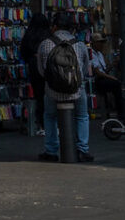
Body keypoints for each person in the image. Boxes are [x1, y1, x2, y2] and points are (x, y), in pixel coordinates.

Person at [34, 19, 93, 162]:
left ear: (54, 27)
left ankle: (51, 151)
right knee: (82, 116)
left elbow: (41, 71)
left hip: (52, 91)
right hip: (76, 90)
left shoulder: (45, 44)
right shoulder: (80, 45)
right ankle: (82, 149)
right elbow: (85, 70)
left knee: (50, 116)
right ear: (72, 29)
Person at [19, 12, 53, 136]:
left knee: (39, 95)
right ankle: (51, 123)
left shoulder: (29, 35)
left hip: (34, 66)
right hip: (48, 65)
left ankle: (41, 124)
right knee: (50, 94)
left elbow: (23, 52)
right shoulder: (49, 35)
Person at [88, 44, 125, 121]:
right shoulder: (91, 54)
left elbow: (104, 71)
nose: (102, 45)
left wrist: (113, 64)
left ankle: (119, 110)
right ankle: (121, 113)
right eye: (100, 43)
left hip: (103, 78)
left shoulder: (100, 54)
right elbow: (98, 72)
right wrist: (112, 77)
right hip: (97, 80)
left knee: (118, 84)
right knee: (117, 85)